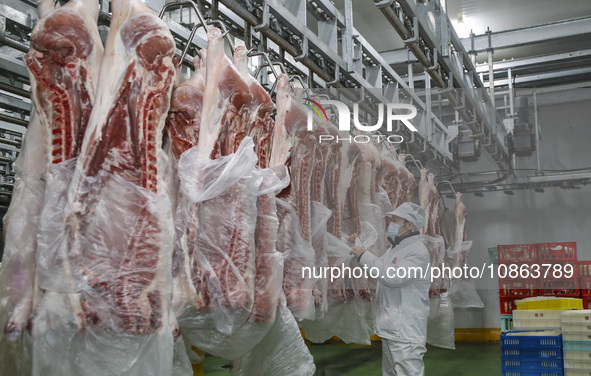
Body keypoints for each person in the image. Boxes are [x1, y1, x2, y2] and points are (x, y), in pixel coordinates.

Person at [350, 202, 430, 376]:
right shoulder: (394, 250)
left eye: (395, 220)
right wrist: (358, 246)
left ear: (409, 225)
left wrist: (364, 255)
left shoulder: (417, 251)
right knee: (391, 373)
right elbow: (378, 266)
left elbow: (393, 278)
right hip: (391, 327)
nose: (390, 224)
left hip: (406, 329)